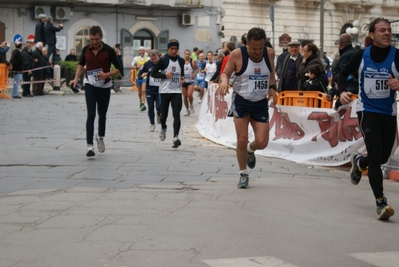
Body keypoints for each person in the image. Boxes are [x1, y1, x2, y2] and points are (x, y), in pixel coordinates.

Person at [338, 17, 399, 221]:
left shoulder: (396, 56)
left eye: (389, 30)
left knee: (382, 157)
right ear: (372, 35)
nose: (387, 33)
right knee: (376, 156)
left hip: (388, 113)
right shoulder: (362, 55)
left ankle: (358, 160)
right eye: (382, 30)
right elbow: (342, 73)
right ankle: (380, 201)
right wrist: (342, 92)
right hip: (368, 111)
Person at [218, 27, 277, 188]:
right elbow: (225, 73)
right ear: (246, 45)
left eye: (260, 48)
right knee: (242, 139)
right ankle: (243, 173)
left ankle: (251, 150)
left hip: (260, 102)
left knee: (262, 142)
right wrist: (224, 81)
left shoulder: (269, 53)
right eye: (254, 49)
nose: (258, 52)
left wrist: (272, 87)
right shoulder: (237, 54)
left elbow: (271, 71)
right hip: (242, 100)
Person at [70, 26, 122, 157]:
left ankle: (100, 137)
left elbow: (119, 69)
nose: (94, 42)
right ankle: (89, 146)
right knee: (91, 114)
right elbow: (81, 64)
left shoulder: (109, 51)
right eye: (92, 39)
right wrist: (76, 78)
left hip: (104, 86)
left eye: (96, 39)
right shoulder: (86, 49)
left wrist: (107, 74)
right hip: (90, 84)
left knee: (102, 114)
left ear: (101, 38)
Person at [151, 39, 185, 148]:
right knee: (164, 115)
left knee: (176, 114)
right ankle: (163, 128)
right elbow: (153, 73)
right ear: (168, 49)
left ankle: (175, 137)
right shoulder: (163, 60)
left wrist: (182, 78)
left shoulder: (181, 60)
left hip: (177, 91)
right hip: (165, 91)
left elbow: (181, 73)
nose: (174, 51)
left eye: (176, 49)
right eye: (172, 49)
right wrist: (165, 76)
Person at [327, 34, 357, 109]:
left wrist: (340, 83)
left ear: (340, 43)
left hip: (348, 88)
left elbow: (344, 73)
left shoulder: (345, 56)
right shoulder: (354, 53)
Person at [138, 50, 162, 131]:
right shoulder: (147, 64)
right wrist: (142, 75)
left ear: (158, 57)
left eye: (155, 59)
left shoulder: (162, 63)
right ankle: (152, 124)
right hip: (150, 89)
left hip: (160, 89)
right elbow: (139, 74)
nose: (154, 61)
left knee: (159, 106)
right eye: (152, 59)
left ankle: (159, 114)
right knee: (150, 107)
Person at [131, 46, 148, 111]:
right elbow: (132, 66)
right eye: (140, 50)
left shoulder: (147, 58)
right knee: (139, 92)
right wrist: (136, 67)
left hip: (145, 76)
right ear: (138, 52)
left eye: (143, 50)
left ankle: (143, 104)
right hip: (138, 77)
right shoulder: (136, 58)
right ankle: (141, 102)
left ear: (144, 51)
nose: (142, 52)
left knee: (144, 91)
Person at [182, 49, 197, 116]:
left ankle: (191, 105)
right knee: (185, 96)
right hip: (184, 80)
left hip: (190, 81)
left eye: (188, 54)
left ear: (190, 55)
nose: (187, 55)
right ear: (184, 54)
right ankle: (187, 110)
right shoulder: (181, 61)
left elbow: (197, 68)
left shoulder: (192, 61)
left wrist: (194, 74)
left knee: (189, 94)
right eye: (186, 54)